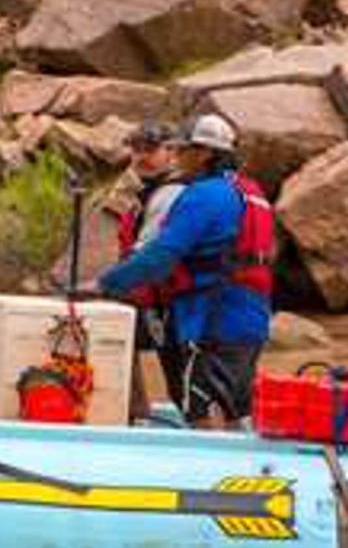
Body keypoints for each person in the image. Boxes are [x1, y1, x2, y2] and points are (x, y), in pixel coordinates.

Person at [94, 114, 273, 429]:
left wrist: (106, 283)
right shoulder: (251, 192)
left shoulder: (204, 195)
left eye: (183, 150)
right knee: (231, 411)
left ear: (204, 153)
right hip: (252, 320)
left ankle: (210, 475)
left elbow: (161, 257)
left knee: (199, 410)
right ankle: (242, 471)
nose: (177, 157)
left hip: (213, 321)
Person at [113, 121, 184, 421]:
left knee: (181, 383)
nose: (140, 157)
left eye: (150, 150)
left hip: (174, 302)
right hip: (147, 302)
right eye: (136, 150)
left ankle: (140, 412)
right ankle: (134, 410)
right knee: (114, 330)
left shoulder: (177, 195)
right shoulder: (142, 198)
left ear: (172, 153)